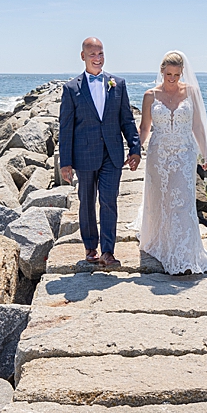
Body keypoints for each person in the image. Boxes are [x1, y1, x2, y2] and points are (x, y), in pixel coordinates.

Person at [58, 37, 141, 268]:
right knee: (86, 202)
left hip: (112, 155)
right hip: (83, 156)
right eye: (92, 54)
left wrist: (135, 148)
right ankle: (90, 246)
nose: (97, 58)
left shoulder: (118, 83)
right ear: (83, 56)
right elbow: (65, 128)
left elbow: (127, 119)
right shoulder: (71, 88)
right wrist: (65, 163)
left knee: (109, 201)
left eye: (101, 54)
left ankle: (108, 251)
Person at [132, 50, 207, 275]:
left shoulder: (192, 92)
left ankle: (184, 253)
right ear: (161, 72)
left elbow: (198, 126)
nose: (172, 79)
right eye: (168, 74)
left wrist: (206, 155)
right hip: (158, 155)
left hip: (185, 154)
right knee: (161, 199)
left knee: (183, 202)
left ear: (182, 73)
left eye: (176, 75)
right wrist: (135, 151)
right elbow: (145, 128)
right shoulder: (150, 95)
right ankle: (161, 243)